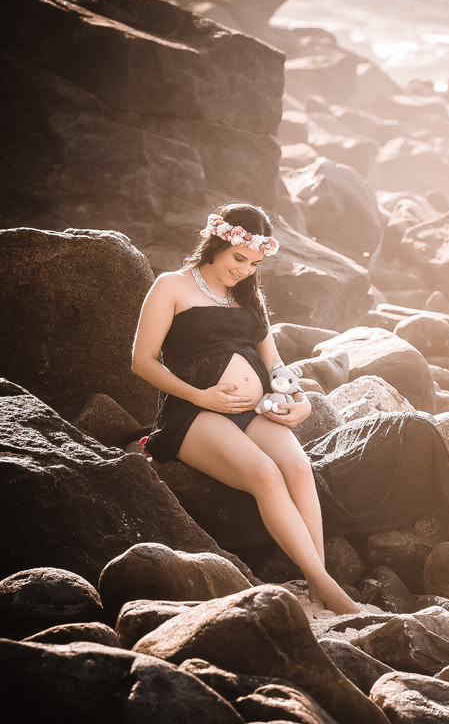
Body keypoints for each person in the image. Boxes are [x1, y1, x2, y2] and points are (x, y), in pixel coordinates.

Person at [132, 202, 358, 614]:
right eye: (239, 258)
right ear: (216, 242)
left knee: (299, 467)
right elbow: (141, 361)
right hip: (195, 412)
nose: (245, 270)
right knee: (267, 476)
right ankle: (331, 589)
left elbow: (273, 362)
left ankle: (317, 582)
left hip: (255, 409)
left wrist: (299, 399)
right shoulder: (171, 285)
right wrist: (201, 396)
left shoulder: (247, 295)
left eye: (254, 263)